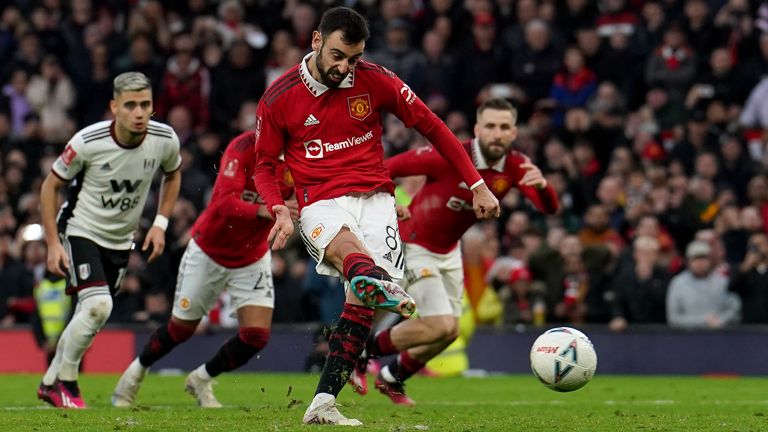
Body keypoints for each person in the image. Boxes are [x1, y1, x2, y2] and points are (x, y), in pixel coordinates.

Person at [253, 7, 500, 426]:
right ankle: (371, 277)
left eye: (353, 58)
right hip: (320, 202)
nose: (344, 67)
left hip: (378, 201)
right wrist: (277, 204)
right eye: (337, 56)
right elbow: (263, 163)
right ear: (316, 41)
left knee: (361, 305)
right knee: (354, 260)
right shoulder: (279, 97)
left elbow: (433, 126)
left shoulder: (375, 78)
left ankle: (322, 404)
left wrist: (476, 183)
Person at [349, 98, 559, 405]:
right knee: (440, 325)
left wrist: (543, 187)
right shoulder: (448, 154)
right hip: (415, 245)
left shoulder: (514, 166)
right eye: (490, 126)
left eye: (504, 127)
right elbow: (387, 168)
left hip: (449, 251)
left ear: (514, 132)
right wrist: (390, 202)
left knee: (449, 332)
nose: (496, 134)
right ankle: (361, 352)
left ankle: (393, 377)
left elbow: (549, 208)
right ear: (477, 129)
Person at [111, 131, 296, 408]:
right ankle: (135, 373)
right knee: (181, 329)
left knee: (256, 336)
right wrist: (270, 211)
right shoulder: (244, 146)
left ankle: (201, 378)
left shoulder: (304, 154)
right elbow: (224, 203)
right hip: (209, 250)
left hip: (251, 256)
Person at [37, 72, 182, 408]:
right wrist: (53, 244)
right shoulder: (88, 141)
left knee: (90, 313)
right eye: (130, 105)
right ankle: (66, 383)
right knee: (98, 306)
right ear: (114, 107)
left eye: (145, 104)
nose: (139, 113)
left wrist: (160, 223)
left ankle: (48, 384)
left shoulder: (164, 139)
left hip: (120, 239)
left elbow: (173, 174)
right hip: (79, 229)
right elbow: (49, 186)